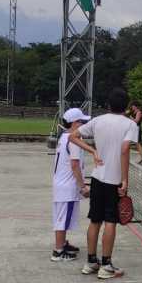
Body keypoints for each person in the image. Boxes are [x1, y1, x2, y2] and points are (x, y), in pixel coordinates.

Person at [69, 88, 136, 280]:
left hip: (97, 178)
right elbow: (124, 150)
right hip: (114, 181)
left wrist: (92, 151)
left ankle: (91, 262)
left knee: (95, 220)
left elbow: (73, 136)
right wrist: (125, 180)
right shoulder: (130, 125)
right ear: (126, 106)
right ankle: (106, 265)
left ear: (108, 104)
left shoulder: (98, 120)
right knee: (110, 222)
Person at [51, 108, 91, 262]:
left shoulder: (64, 137)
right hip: (67, 187)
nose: (84, 124)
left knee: (63, 218)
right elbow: (75, 165)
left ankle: (63, 243)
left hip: (62, 185)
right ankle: (58, 251)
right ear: (75, 123)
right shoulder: (73, 140)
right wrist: (83, 187)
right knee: (62, 219)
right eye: (82, 122)